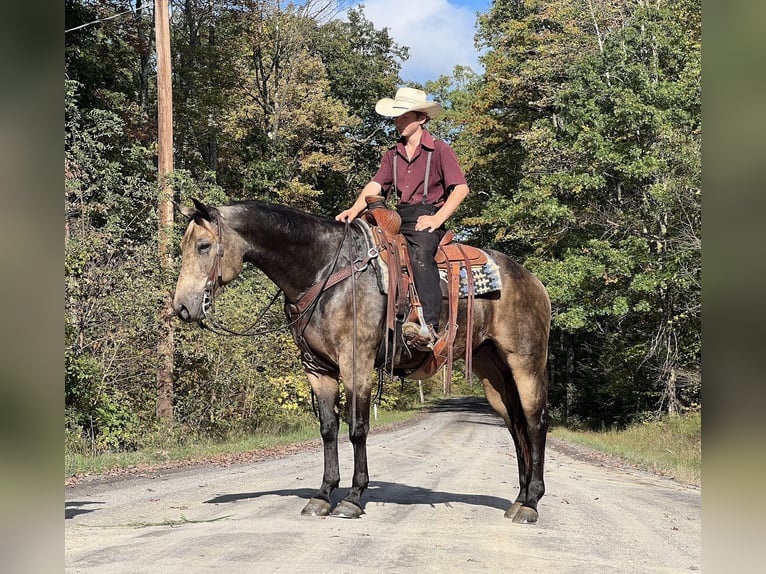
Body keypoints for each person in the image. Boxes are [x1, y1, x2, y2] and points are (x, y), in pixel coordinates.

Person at [336, 87, 470, 350]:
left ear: (421, 118)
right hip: (399, 217)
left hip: (427, 217)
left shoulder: (440, 150)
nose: (397, 123)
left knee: (420, 254)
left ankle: (430, 326)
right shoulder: (391, 155)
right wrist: (353, 209)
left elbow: (461, 188)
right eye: (396, 118)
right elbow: (376, 186)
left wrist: (437, 219)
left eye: (403, 117)